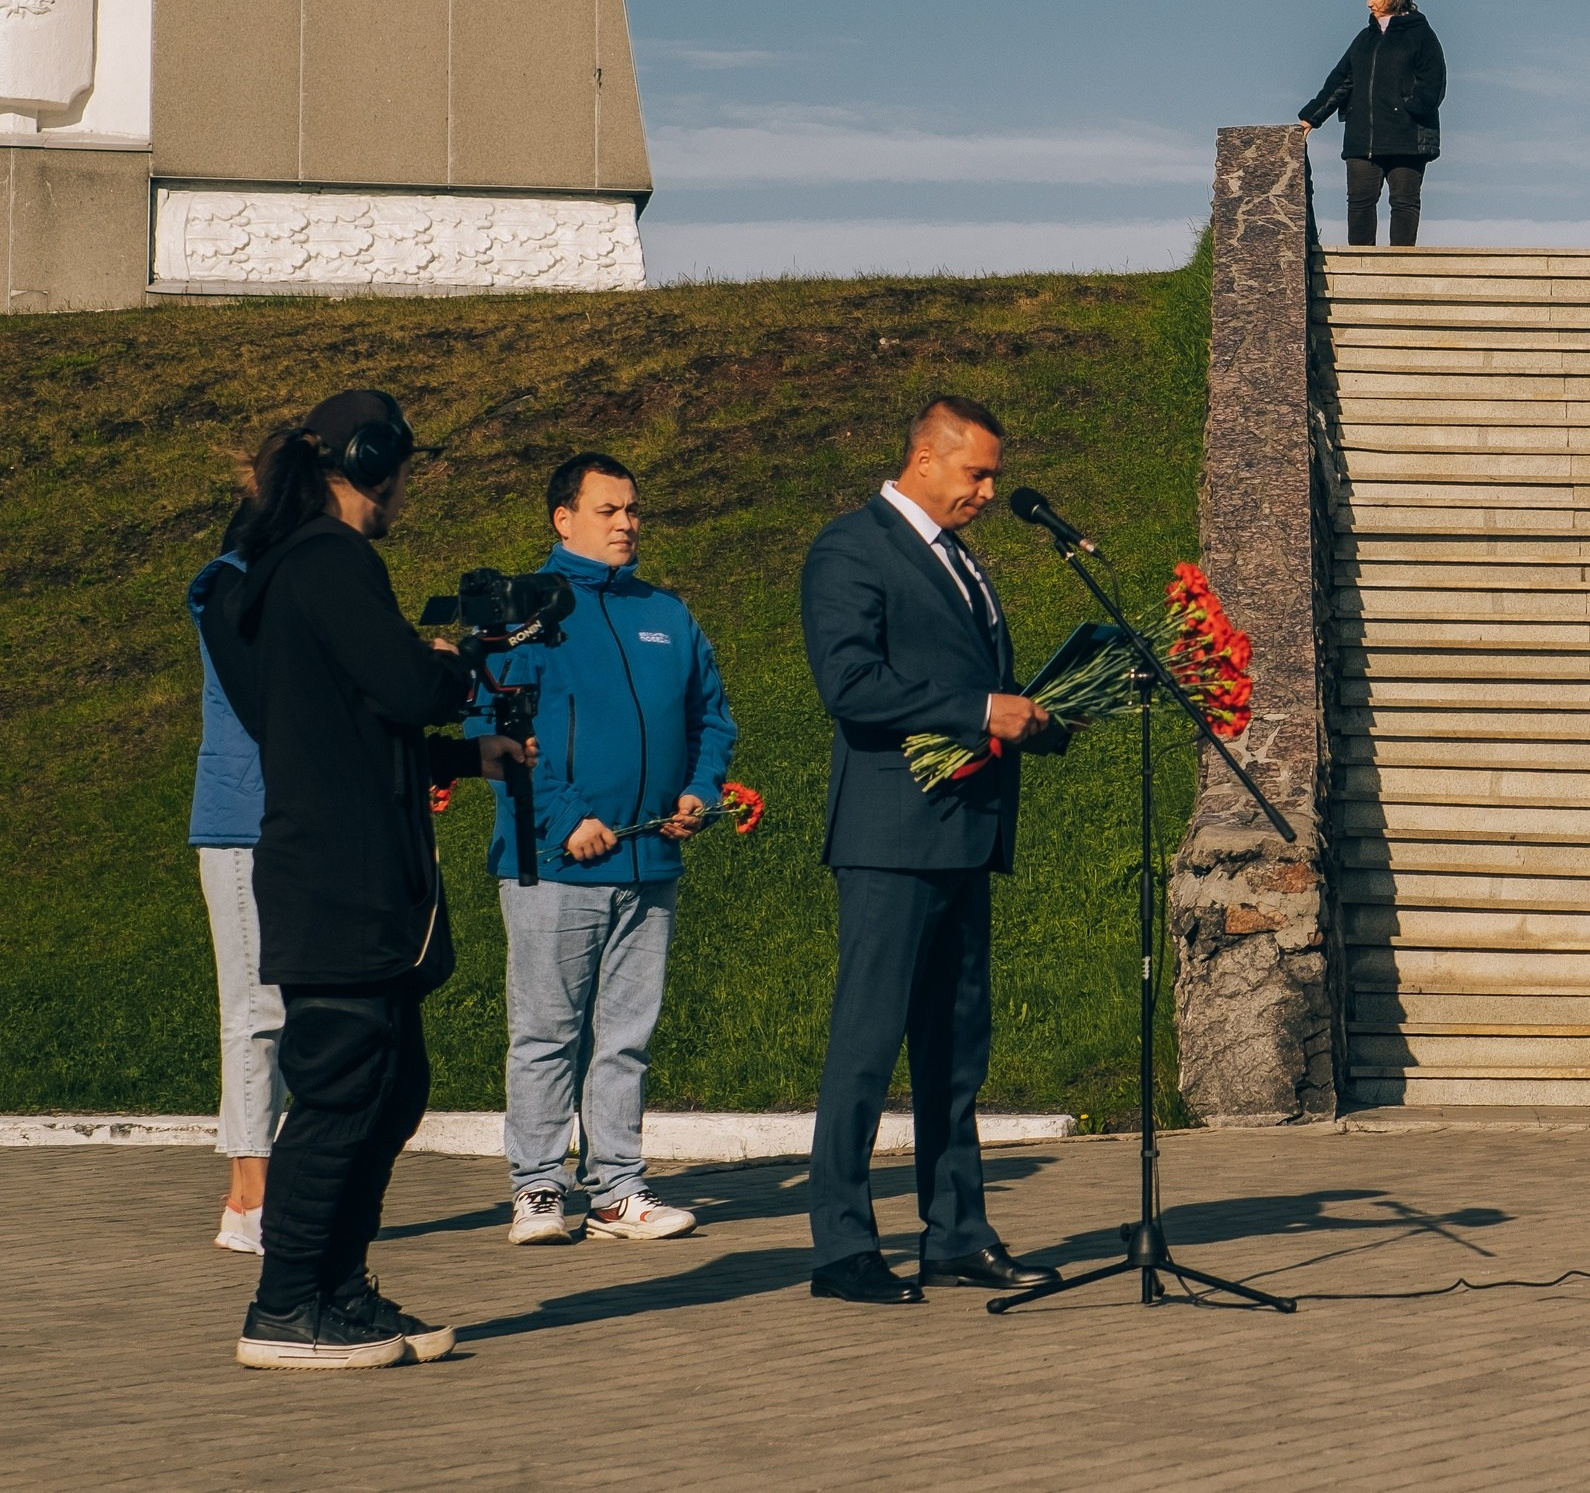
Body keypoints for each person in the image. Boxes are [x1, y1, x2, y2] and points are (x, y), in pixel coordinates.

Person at [221, 390, 529, 1368]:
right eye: (403, 469)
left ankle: (340, 1291)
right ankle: (281, 1310)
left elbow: (348, 731)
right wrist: (454, 664)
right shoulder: (329, 562)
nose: (406, 488)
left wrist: (458, 758)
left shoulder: (286, 571)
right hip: (339, 884)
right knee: (344, 1092)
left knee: (392, 1090)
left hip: (343, 872)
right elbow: (400, 687)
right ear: (372, 463)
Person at [798, 397, 1069, 1304]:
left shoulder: (959, 558)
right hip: (891, 834)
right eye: (976, 473)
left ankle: (956, 1232)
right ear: (923, 457)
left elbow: (969, 673)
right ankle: (841, 1246)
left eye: (993, 474)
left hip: (963, 830)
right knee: (868, 1046)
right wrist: (977, 710)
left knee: (956, 1050)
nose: (989, 490)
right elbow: (851, 682)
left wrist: (1034, 710)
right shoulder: (852, 546)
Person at [470, 453, 738, 1247]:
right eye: (608, 509)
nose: (627, 523)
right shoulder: (523, 609)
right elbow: (494, 729)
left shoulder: (667, 614)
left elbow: (711, 718)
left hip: (649, 861)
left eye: (632, 509)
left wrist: (700, 791)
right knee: (548, 1030)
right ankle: (539, 1188)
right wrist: (560, 817)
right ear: (563, 518)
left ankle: (618, 1187)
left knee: (626, 1035)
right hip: (555, 862)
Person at [188, 508, 284, 1255]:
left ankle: (263, 1192)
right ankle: (247, 1200)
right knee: (255, 1011)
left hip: (285, 822)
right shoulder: (231, 588)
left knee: (281, 1011)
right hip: (242, 825)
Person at [1298, 0, 1446, 248]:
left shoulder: (1422, 35)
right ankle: (1360, 264)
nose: (1369, 3)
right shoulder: (1364, 40)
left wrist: (1410, 109)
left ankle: (1401, 266)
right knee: (1359, 203)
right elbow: (1340, 81)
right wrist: (1311, 117)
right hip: (1362, 137)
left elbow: (1433, 81)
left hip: (1408, 137)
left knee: (1404, 202)